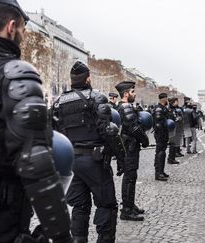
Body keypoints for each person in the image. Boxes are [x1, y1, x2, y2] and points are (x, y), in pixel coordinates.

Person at [0, 1, 72, 242]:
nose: (22, 36)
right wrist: (61, 235)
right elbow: (36, 164)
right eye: (22, 30)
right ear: (11, 27)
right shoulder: (14, 74)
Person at [52, 61, 126, 243]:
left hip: (70, 162)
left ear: (71, 80)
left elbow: (51, 133)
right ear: (88, 78)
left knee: (79, 206)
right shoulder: (96, 98)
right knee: (106, 206)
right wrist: (122, 157)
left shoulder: (58, 102)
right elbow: (108, 130)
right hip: (94, 161)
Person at [115, 81, 150, 221]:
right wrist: (145, 139)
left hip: (129, 146)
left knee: (131, 177)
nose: (135, 94)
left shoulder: (124, 107)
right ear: (126, 93)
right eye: (133, 92)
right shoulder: (125, 107)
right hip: (129, 147)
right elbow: (133, 128)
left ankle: (130, 204)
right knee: (129, 178)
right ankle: (127, 210)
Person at [153, 93, 170, 181]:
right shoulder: (159, 109)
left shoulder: (163, 108)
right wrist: (163, 133)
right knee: (160, 153)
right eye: (166, 99)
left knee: (162, 153)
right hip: (160, 134)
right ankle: (158, 173)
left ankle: (161, 171)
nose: (167, 100)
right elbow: (158, 124)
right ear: (164, 99)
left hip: (163, 133)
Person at [167, 97, 182, 164]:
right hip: (171, 128)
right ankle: (171, 159)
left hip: (174, 127)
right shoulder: (169, 109)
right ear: (173, 102)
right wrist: (176, 119)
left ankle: (172, 158)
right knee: (172, 144)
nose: (177, 103)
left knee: (173, 144)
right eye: (176, 101)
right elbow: (169, 119)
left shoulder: (173, 109)